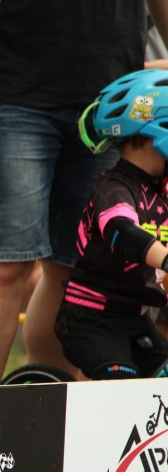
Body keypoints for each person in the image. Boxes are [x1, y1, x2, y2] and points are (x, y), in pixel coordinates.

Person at [0, 0, 168, 386]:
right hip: (9, 82)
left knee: (79, 270)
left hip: (106, 94)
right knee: (4, 262)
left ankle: (48, 396)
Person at [53, 69, 168, 379]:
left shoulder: (162, 191)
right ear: (156, 131)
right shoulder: (115, 187)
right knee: (122, 383)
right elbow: (121, 230)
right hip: (91, 318)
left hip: (137, 319)